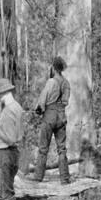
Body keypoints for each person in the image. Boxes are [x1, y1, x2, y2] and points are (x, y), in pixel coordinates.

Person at [33, 56, 71, 184]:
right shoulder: (66, 83)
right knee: (62, 149)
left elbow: (42, 100)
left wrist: (39, 109)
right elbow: (65, 102)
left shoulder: (50, 82)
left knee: (43, 148)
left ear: (54, 68)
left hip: (49, 116)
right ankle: (65, 179)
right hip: (61, 116)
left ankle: (38, 177)